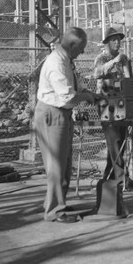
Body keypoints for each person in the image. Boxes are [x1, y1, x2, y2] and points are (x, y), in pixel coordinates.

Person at [35, 27, 101, 223]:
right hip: (53, 113)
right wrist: (87, 97)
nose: (82, 53)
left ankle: (59, 203)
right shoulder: (57, 62)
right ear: (72, 45)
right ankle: (54, 211)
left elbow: (73, 86)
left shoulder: (66, 61)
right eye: (81, 48)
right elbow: (66, 98)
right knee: (56, 164)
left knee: (64, 163)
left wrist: (89, 93)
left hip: (61, 114)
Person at [94, 27, 131, 182]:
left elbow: (129, 81)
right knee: (113, 140)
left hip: (122, 102)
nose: (117, 43)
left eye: (119, 40)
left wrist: (124, 65)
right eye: (113, 40)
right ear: (107, 43)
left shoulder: (123, 59)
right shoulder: (102, 58)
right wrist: (114, 62)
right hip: (107, 104)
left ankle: (109, 177)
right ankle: (121, 178)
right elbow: (97, 73)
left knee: (119, 142)